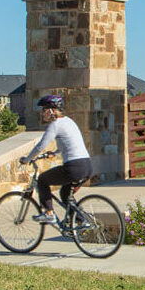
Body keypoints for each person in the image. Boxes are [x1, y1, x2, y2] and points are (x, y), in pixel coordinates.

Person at [20, 95, 93, 224]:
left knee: (42, 180)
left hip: (73, 167)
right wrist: (55, 153)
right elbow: (70, 143)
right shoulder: (69, 121)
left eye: (43, 110)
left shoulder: (55, 125)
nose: (42, 114)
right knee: (65, 195)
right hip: (86, 166)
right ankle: (81, 220)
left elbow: (40, 146)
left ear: (50, 111)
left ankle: (49, 214)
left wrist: (27, 159)